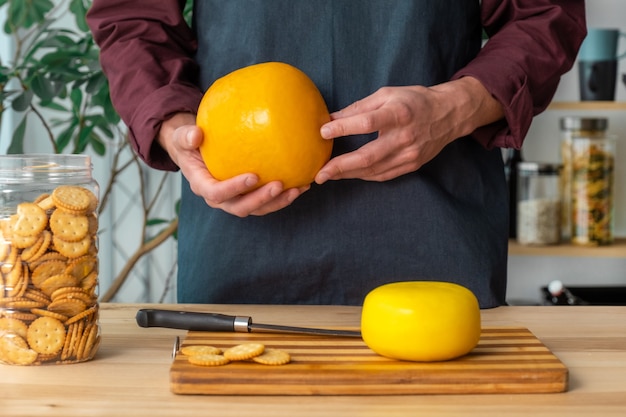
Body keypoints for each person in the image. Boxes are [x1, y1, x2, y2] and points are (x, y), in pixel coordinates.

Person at [86, 1, 586, 308]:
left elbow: (544, 13)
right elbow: (133, 18)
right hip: (240, 234)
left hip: (436, 230)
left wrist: (456, 107)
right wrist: (174, 127)